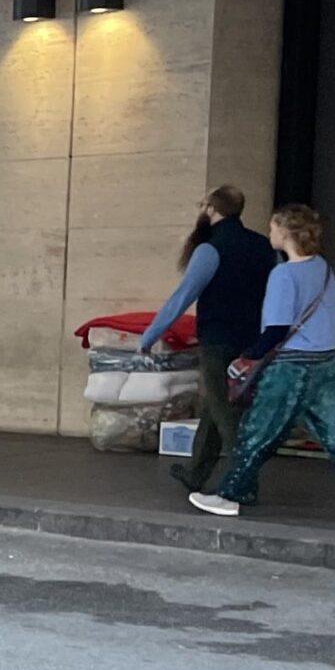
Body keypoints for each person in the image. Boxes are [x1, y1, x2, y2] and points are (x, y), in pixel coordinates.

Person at [189, 204, 335, 528]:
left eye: (273, 228)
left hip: (292, 368)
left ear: (285, 233)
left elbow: (276, 329)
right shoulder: (323, 268)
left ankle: (231, 495)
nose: (269, 233)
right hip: (330, 363)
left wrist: (247, 357)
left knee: (257, 432)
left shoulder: (283, 274)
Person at [140, 186, 273, 493]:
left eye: (203, 205)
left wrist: (150, 335)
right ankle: (196, 473)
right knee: (215, 408)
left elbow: (182, 297)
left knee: (225, 413)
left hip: (218, 340)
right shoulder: (264, 246)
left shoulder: (210, 248)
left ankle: (244, 480)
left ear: (213, 209)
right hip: (252, 341)